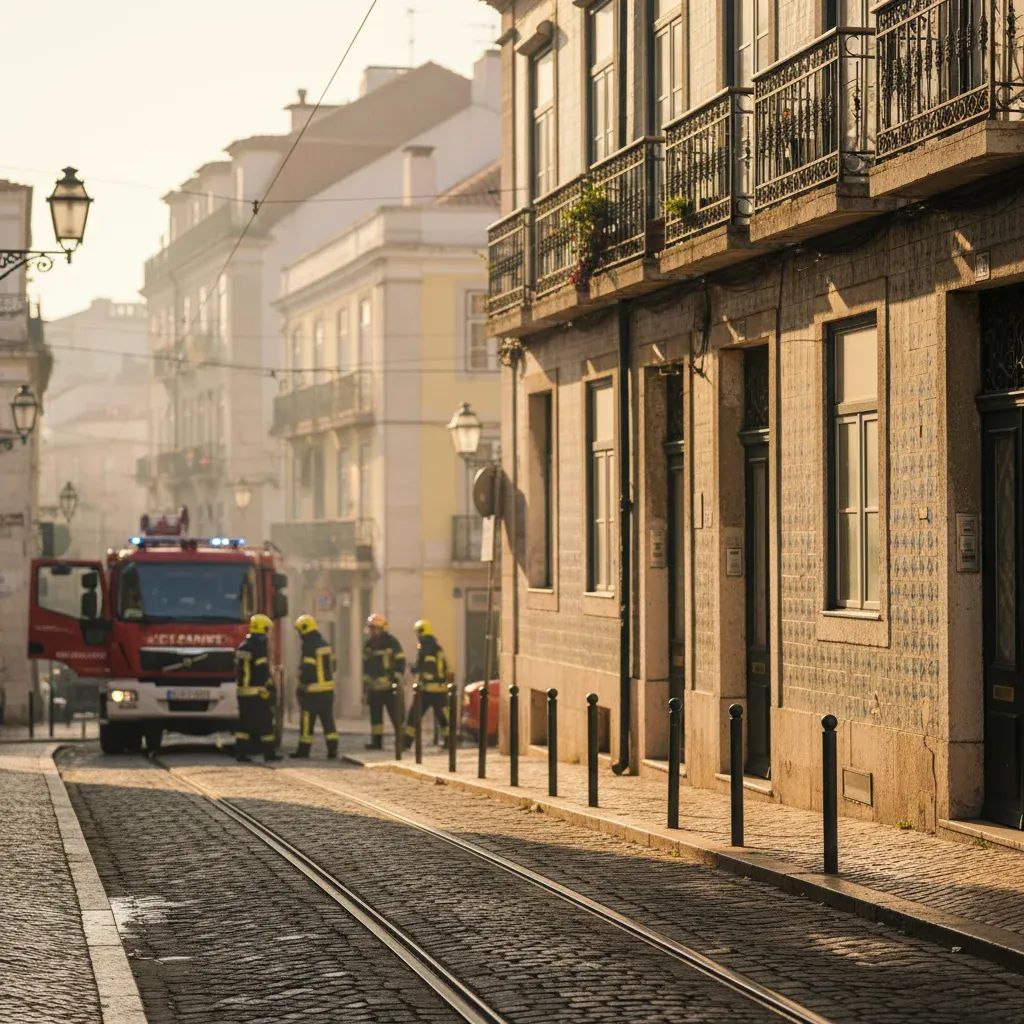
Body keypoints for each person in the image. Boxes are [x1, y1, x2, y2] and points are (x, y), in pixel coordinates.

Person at [234, 613, 281, 763]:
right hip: (256, 691)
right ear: (263, 629)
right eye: (267, 629)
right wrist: (268, 687)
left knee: (244, 725)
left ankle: (241, 753)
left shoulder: (243, 645)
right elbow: (261, 670)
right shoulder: (258, 646)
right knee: (266, 723)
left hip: (242, 692)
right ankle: (269, 753)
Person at [290, 614, 339, 759]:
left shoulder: (309, 646)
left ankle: (303, 751)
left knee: (307, 722)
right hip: (328, 691)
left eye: (299, 631)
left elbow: (308, 669)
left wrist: (302, 685)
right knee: (328, 721)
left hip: (312, 691)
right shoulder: (325, 644)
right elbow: (334, 665)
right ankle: (332, 750)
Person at [404, 620, 453, 748]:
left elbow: (424, 667)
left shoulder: (425, 647)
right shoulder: (438, 647)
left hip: (427, 690)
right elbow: (445, 668)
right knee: (443, 718)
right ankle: (449, 742)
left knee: (413, 716)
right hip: (441, 690)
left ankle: (406, 743)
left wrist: (413, 669)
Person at [362, 613, 406, 749]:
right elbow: (365, 666)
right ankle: (376, 742)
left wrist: (396, 676)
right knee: (376, 719)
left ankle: (401, 743)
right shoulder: (368, 644)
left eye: (375, 628)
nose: (372, 631)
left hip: (389, 687)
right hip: (374, 688)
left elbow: (401, 660)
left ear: (382, 628)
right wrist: (365, 686)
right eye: (371, 628)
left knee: (396, 716)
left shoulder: (392, 642)